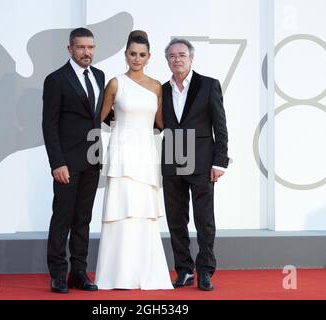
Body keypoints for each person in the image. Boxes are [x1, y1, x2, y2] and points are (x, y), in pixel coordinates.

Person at [95, 30, 173, 290]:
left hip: (145, 155)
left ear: (149, 56)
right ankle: (116, 276)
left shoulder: (156, 86)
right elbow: (97, 119)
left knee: (143, 212)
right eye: (132, 54)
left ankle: (145, 274)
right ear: (125, 54)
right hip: (121, 156)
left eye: (141, 55)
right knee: (119, 211)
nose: (136, 59)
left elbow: (161, 123)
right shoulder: (115, 83)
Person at [42, 27, 109, 293]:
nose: (87, 52)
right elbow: (49, 124)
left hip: (93, 160)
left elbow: (98, 115)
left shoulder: (100, 76)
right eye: (81, 47)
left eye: (91, 47)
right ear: (70, 49)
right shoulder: (56, 79)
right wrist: (57, 163)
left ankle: (78, 272)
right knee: (62, 218)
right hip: (66, 163)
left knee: (83, 218)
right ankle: (58, 274)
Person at [161, 38, 229, 291]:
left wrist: (220, 162)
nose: (176, 59)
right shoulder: (161, 90)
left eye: (181, 55)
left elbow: (220, 126)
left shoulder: (208, 85)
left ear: (191, 58)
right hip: (172, 158)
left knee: (204, 219)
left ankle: (205, 270)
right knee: (175, 219)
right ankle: (184, 270)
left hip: (201, 160)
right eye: (171, 56)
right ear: (167, 60)